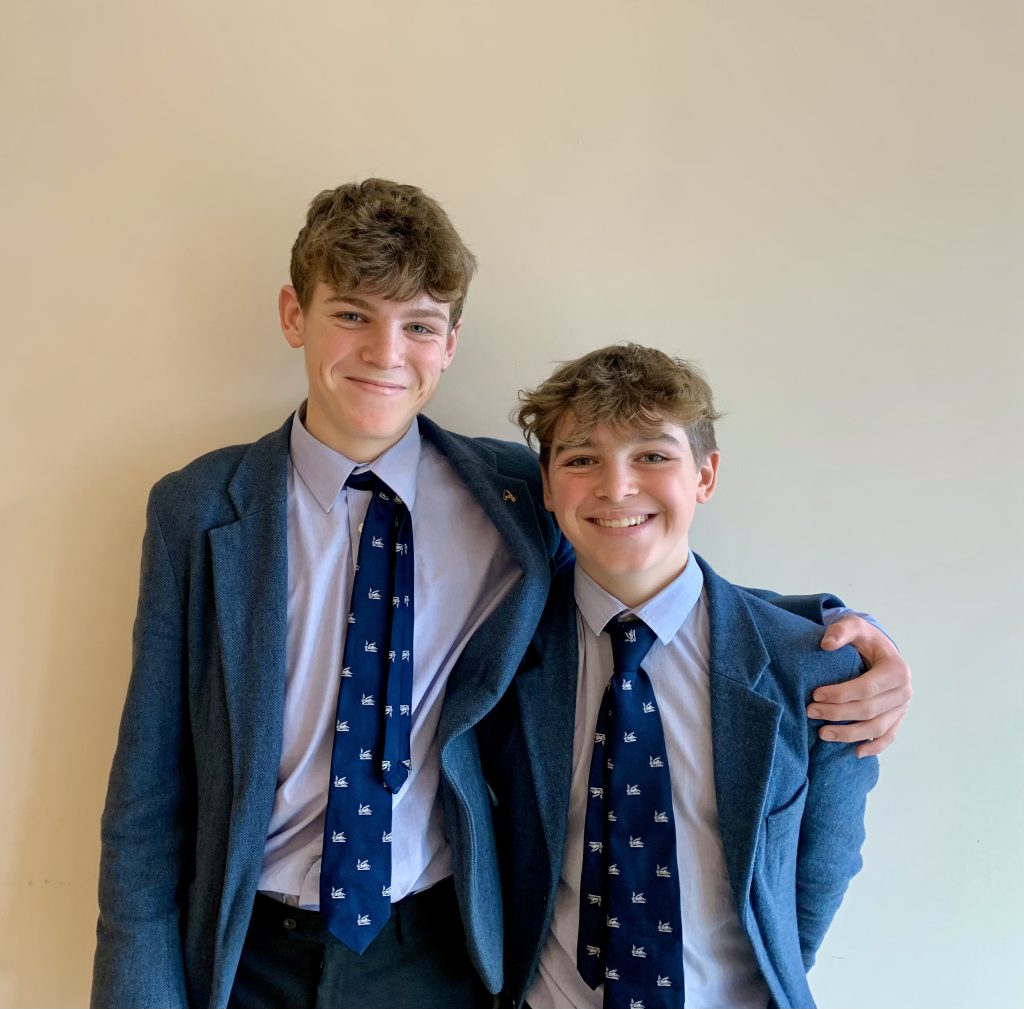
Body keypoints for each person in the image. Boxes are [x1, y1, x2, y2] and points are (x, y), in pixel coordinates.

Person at [91, 180, 909, 1009]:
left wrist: (835, 630)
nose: (385, 351)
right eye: (352, 314)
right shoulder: (199, 511)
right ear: (294, 315)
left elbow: (640, 567)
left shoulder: (513, 495)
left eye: (418, 324)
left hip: (440, 951)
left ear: (450, 344)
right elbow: (147, 798)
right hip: (248, 951)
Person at [491, 343, 882, 1009]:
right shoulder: (501, 654)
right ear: (549, 488)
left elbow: (824, 862)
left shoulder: (817, 668)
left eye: (652, 455)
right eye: (581, 459)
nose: (617, 487)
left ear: (705, 475)